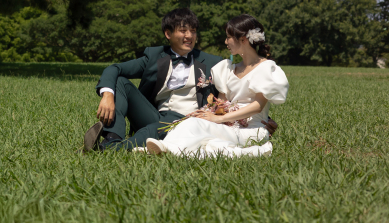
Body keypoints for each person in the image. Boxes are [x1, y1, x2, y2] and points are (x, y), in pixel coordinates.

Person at [145, 14, 288, 158]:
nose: (226, 42)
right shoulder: (227, 68)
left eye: (228, 37)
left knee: (197, 127)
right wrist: (209, 113)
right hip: (229, 125)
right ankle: (254, 152)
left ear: (243, 40)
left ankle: (166, 148)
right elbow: (221, 103)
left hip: (253, 130)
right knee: (199, 131)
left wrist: (219, 119)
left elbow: (257, 106)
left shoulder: (265, 68)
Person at [82, 8, 223, 152]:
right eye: (183, 31)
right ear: (168, 34)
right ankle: (112, 137)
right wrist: (107, 95)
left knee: (152, 130)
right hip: (155, 116)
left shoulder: (213, 62)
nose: (189, 36)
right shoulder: (154, 57)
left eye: (193, 31)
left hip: (187, 121)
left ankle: (108, 149)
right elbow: (115, 68)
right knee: (120, 82)